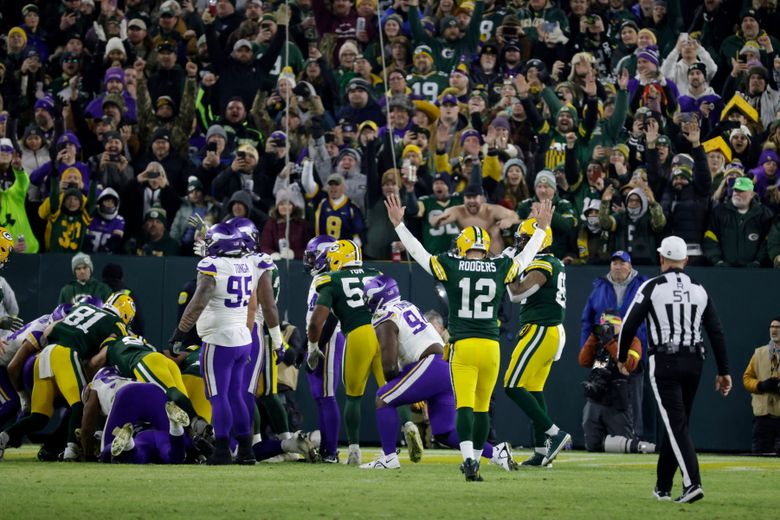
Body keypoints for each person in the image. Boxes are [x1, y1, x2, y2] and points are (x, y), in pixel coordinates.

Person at [386, 192, 552, 481]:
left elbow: (421, 255)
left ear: (461, 247)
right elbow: (525, 258)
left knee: (463, 406)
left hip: (463, 344)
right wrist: (540, 229)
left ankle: (468, 461)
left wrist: (400, 226)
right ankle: (475, 459)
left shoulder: (451, 265)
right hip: (490, 346)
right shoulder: (500, 266)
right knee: (482, 408)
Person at [359, 274, 517, 472]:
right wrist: (411, 387)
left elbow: (389, 367)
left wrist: (404, 390)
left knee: (383, 397)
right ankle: (496, 453)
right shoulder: (406, 305)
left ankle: (389, 457)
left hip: (428, 365)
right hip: (444, 366)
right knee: (444, 432)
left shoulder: (384, 316)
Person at [617, 236, 732, 504]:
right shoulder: (699, 288)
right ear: (686, 260)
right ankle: (663, 487)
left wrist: (622, 358)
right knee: (677, 424)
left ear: (661, 259)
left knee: (675, 424)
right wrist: (724, 370)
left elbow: (629, 324)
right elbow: (716, 330)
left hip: (666, 361)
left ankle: (692, 483)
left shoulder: (652, 286)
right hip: (695, 361)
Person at [0, 293, 133, 461]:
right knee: (80, 403)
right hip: (66, 354)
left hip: (43, 356)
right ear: (126, 314)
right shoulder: (117, 324)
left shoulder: (83, 307)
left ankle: (3, 437)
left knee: (39, 416)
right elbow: (97, 360)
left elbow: (48, 331)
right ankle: (72, 449)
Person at [169, 222, 256, 465]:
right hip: (242, 338)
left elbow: (199, 301)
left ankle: (222, 451)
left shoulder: (212, 265)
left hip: (219, 340)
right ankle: (246, 450)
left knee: (218, 397)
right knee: (236, 395)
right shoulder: (247, 262)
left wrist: (179, 333)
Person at [307, 238, 387, 466]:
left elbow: (316, 323)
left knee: (353, 396)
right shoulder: (375, 273)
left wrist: (313, 346)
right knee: (390, 391)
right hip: (384, 332)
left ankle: (353, 449)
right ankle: (396, 441)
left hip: (357, 334)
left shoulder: (330, 279)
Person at [503, 218, 571, 467]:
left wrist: (509, 268)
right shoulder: (550, 262)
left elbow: (516, 293)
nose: (520, 244)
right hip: (548, 330)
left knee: (511, 384)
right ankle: (543, 452)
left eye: (524, 240)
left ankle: (555, 434)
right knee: (533, 390)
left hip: (540, 330)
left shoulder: (544, 263)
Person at [581, 250, 648, 436]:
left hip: (633, 350)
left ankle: (634, 439)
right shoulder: (599, 288)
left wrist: (643, 348)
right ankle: (599, 438)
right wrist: (586, 348)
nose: (618, 267)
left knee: (631, 399)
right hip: (603, 353)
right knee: (600, 396)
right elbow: (587, 320)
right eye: (615, 263)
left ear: (630, 266)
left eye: (622, 263)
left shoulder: (643, 286)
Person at [579, 310, 654, 454]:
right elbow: (584, 361)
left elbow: (630, 365)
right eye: (603, 325)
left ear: (620, 325)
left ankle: (636, 446)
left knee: (623, 445)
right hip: (596, 398)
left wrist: (610, 342)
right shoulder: (598, 341)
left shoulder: (632, 341)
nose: (606, 329)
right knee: (592, 445)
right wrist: (594, 337)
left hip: (618, 402)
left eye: (609, 325)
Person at [302, 235, 345, 463]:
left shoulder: (331, 279)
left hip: (328, 339)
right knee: (320, 396)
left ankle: (331, 451)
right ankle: (328, 450)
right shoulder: (321, 277)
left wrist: (316, 344)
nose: (308, 261)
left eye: (312, 256)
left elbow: (328, 318)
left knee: (327, 396)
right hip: (317, 339)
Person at [742, 317, 780, 455]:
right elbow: (747, 378)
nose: (774, 330)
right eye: (772, 327)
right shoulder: (759, 353)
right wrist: (760, 385)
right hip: (762, 419)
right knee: (760, 456)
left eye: (777, 327)